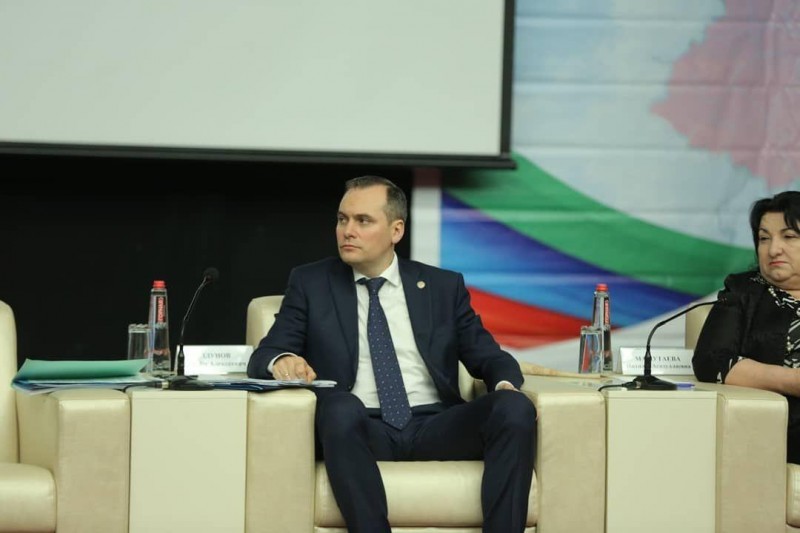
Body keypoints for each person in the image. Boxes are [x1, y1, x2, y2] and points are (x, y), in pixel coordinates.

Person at [247, 175, 536, 533]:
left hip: (435, 424)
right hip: (359, 428)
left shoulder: (442, 287)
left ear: (396, 230)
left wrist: (505, 384)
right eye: (342, 219)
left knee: (514, 407)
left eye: (363, 221)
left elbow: (490, 357)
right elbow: (267, 353)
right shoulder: (312, 283)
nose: (347, 231)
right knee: (338, 406)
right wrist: (281, 361)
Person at [693, 190, 800, 463]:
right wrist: (793, 381)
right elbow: (711, 360)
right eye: (764, 238)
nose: (773, 249)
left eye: (789, 236)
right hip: (776, 432)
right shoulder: (743, 292)